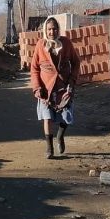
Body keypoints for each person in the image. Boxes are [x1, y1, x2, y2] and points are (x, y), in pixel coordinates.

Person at [30, 18, 81, 159]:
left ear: (58, 29)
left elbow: (76, 62)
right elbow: (34, 69)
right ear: (45, 31)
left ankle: (60, 136)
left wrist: (71, 81)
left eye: (54, 29)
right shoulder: (40, 45)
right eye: (49, 29)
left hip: (63, 87)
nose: (52, 32)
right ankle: (49, 148)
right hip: (46, 89)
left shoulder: (66, 43)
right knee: (47, 118)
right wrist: (37, 87)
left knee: (65, 117)